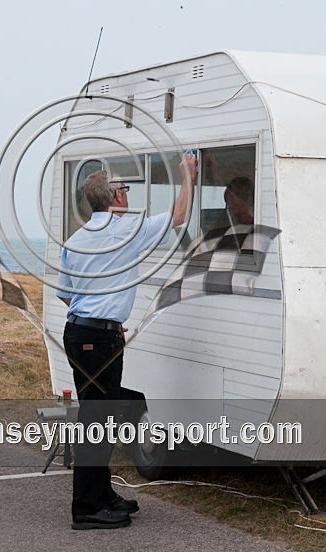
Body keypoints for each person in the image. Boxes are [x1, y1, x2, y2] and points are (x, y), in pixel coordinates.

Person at [56, 153, 197, 530]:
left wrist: (100, 316)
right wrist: (188, 176)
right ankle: (86, 508)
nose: (129, 194)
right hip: (97, 339)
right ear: (115, 197)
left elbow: (66, 295)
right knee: (97, 422)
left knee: (99, 415)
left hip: (82, 333)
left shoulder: (75, 239)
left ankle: (102, 496)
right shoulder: (125, 231)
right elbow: (178, 217)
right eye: (126, 188)